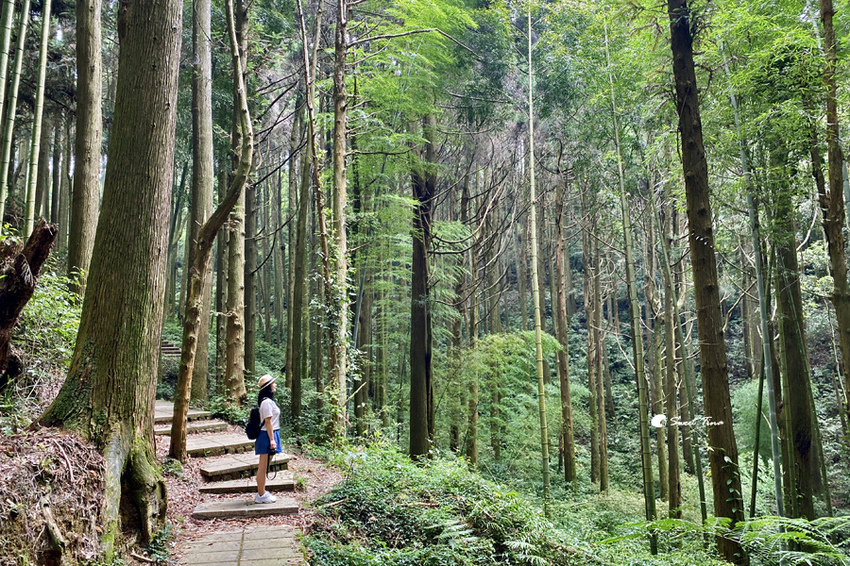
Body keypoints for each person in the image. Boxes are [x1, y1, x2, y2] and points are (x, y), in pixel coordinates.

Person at [254, 373, 282, 503]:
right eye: (273, 383)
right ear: (268, 386)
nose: (275, 385)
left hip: (271, 433)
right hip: (266, 435)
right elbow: (268, 422)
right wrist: (272, 440)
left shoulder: (268, 401)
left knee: (266, 465)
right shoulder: (266, 403)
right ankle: (260, 495)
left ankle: (262, 492)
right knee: (263, 465)